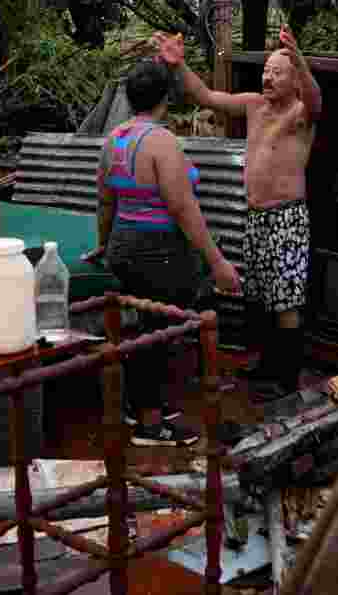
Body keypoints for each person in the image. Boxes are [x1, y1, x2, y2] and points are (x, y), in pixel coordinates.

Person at [153, 25, 322, 401]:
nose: (268, 77)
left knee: (287, 299)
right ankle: (265, 363)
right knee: (259, 296)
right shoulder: (254, 105)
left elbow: (316, 98)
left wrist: (300, 58)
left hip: (287, 218)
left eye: (278, 72)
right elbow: (207, 96)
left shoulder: (300, 114)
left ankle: (286, 379)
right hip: (256, 216)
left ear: (294, 79)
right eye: (267, 71)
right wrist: (178, 64)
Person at [84, 58, 241, 446]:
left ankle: (141, 406)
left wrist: (104, 244)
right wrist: (218, 262)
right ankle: (151, 425)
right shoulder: (162, 142)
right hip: (159, 251)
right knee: (157, 333)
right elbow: (182, 207)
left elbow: (105, 202)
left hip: (124, 243)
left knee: (143, 329)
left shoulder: (114, 140)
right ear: (165, 99)